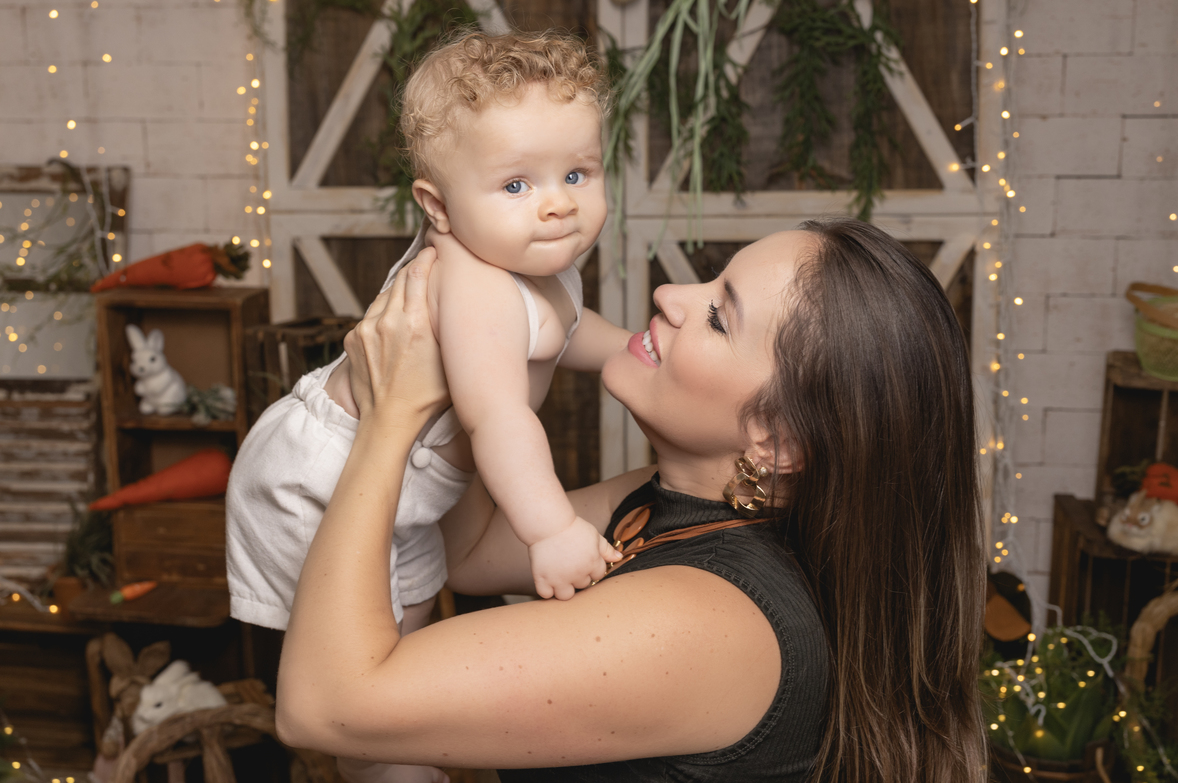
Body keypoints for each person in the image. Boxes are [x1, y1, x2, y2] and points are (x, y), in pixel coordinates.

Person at [275, 219, 989, 782]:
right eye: (712, 280)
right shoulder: (665, 502)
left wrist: (391, 418)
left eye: (718, 317)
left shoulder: (708, 618)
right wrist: (475, 368)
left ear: (777, 441)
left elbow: (324, 708)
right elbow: (471, 552)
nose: (671, 296)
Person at [226, 31, 630, 783]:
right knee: (359, 665)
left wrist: (635, 351)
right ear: (438, 207)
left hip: (407, 485)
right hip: (322, 478)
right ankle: (380, 767)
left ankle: (396, 758)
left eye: (577, 173)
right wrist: (548, 530)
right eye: (517, 185)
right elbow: (497, 417)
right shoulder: (473, 284)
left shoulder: (530, 260)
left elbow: (572, 331)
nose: (557, 204)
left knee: (404, 661)